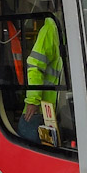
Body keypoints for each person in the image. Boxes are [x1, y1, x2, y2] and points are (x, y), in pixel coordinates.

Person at [18, 13, 63, 143]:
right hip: (38, 113)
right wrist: (33, 101)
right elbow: (35, 65)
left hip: (50, 112)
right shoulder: (51, 29)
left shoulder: (62, 32)